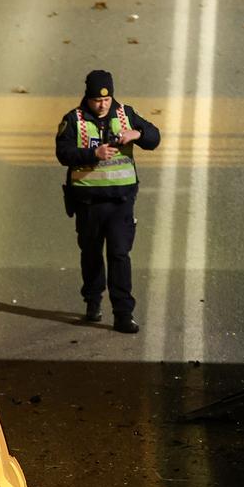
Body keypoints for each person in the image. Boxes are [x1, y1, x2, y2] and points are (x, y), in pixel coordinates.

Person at [55, 68, 161, 334]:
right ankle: (93, 301)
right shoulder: (74, 120)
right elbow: (63, 153)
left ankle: (123, 313)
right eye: (96, 100)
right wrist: (94, 153)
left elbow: (154, 137)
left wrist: (137, 134)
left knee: (119, 254)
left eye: (106, 99)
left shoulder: (126, 114)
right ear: (87, 98)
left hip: (121, 201)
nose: (102, 105)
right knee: (90, 254)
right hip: (88, 202)